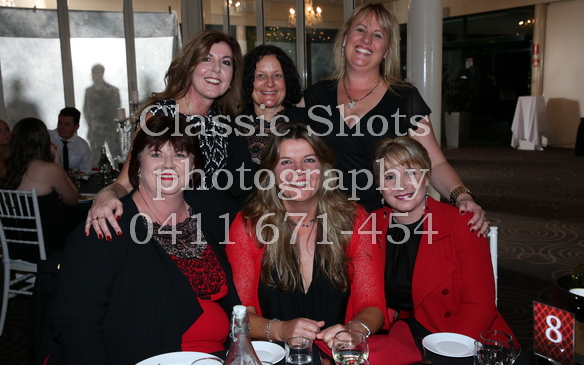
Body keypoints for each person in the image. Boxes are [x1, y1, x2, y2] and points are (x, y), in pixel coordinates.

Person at [46, 115, 240, 365]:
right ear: (137, 167)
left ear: (194, 166)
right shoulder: (106, 228)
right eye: (156, 154)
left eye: (180, 154)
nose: (169, 164)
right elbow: (76, 326)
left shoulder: (210, 214)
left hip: (217, 362)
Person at [302, 2, 488, 236]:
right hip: (326, 221)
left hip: (382, 222)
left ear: (387, 51)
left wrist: (462, 196)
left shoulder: (404, 98)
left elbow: (435, 162)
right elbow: (276, 122)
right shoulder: (316, 95)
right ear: (345, 38)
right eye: (360, 29)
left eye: (378, 35)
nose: (366, 39)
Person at [227, 122, 387, 348]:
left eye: (309, 160)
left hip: (337, 356)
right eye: (286, 162)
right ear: (270, 173)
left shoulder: (354, 219)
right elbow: (240, 316)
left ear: (323, 169)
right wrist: (281, 330)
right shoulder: (248, 226)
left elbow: (373, 305)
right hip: (273, 358)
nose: (299, 170)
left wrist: (354, 332)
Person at [85, 29, 244, 240]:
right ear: (190, 66)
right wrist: (105, 195)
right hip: (163, 230)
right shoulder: (160, 115)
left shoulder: (223, 123)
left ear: (232, 76)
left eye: (226, 62)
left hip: (210, 229)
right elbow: (127, 181)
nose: (216, 68)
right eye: (207, 59)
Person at [371, 136, 515, 342]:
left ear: (427, 178)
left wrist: (453, 347)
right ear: (379, 185)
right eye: (389, 176)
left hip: (454, 334)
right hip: (396, 334)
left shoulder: (462, 224)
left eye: (411, 173)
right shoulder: (370, 225)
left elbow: (479, 305)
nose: (400, 185)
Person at [220, 44, 308, 208]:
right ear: (248, 81)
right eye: (260, 76)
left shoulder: (309, 125)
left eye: (277, 75)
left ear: (287, 81)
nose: (270, 83)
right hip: (242, 220)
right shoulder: (227, 129)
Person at [0, 117, 79, 262]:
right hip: (46, 246)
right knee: (83, 222)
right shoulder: (51, 169)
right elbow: (72, 199)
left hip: (15, 244)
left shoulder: (6, 168)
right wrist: (59, 165)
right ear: (43, 140)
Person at [83, 63, 122, 164]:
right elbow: (86, 109)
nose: (97, 75)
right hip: (95, 129)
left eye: (99, 73)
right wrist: (91, 124)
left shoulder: (112, 91)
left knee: (116, 155)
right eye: (95, 73)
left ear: (102, 74)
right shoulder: (89, 92)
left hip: (110, 127)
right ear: (92, 74)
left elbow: (117, 109)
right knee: (96, 157)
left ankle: (119, 172)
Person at [49, 107, 93, 172]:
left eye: (67, 124)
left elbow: (86, 170)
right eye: (60, 122)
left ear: (76, 127)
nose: (62, 127)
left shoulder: (82, 145)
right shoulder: (46, 138)